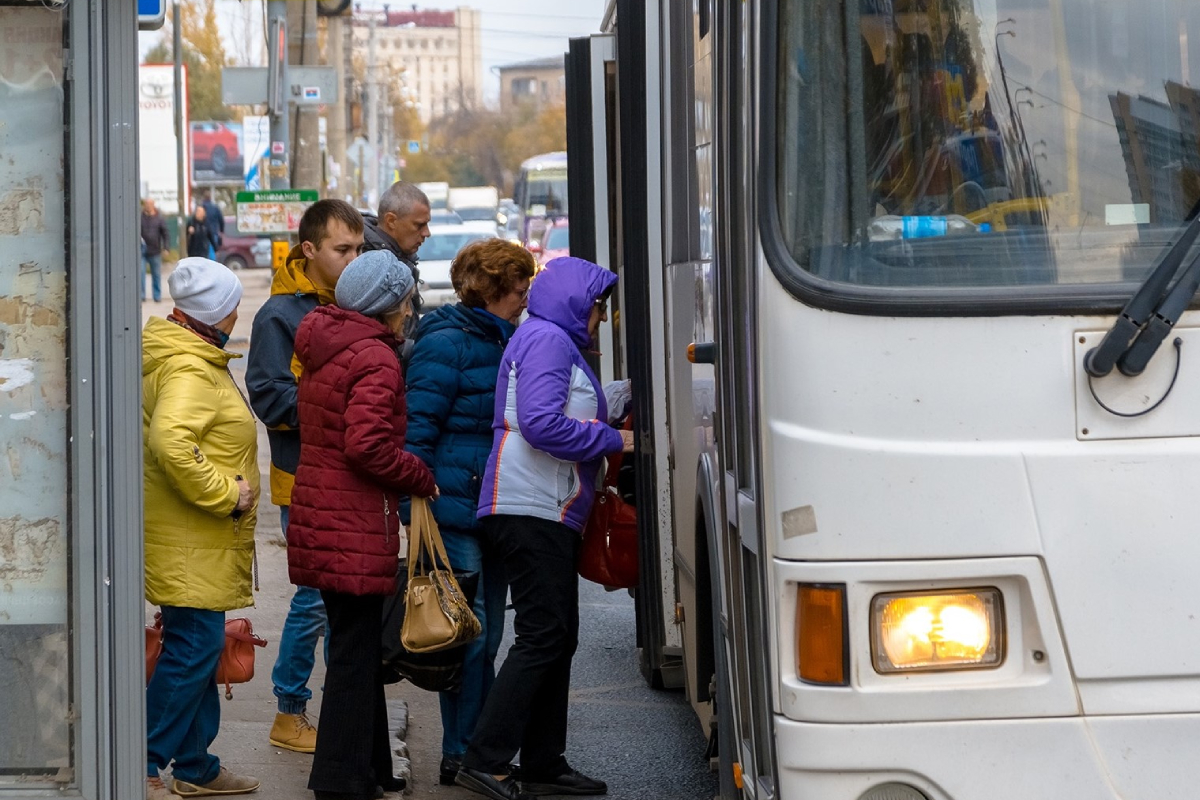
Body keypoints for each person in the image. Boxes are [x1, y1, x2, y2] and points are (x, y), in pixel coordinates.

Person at [456, 257, 633, 800]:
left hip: (542, 508)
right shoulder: (550, 341)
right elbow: (539, 423)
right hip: (530, 508)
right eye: (600, 306)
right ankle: (484, 758)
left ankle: (542, 761)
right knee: (544, 636)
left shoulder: (547, 339)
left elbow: (557, 410)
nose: (602, 318)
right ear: (581, 303)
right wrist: (612, 441)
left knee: (558, 636)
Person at [287, 250, 437, 800]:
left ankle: (372, 767)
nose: (409, 306)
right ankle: (340, 778)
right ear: (389, 303)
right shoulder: (373, 356)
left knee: (358, 645)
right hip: (350, 518)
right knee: (353, 654)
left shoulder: (327, 342)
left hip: (323, 513)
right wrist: (419, 475)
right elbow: (367, 445)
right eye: (405, 297)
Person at [404, 239, 536, 786]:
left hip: (498, 507)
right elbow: (417, 433)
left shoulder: (508, 338)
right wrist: (416, 509)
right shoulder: (447, 342)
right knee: (469, 635)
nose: (525, 297)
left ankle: (476, 749)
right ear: (491, 288)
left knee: (490, 633)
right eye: (519, 288)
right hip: (455, 511)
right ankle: (462, 751)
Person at [245, 199, 365, 754]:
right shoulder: (279, 314)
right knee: (314, 598)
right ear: (310, 250)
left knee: (344, 599)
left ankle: (337, 711)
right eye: (343, 250)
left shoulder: (356, 300)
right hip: (304, 476)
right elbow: (269, 397)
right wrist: (341, 403)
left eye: (359, 249)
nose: (353, 259)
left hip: (353, 473)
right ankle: (288, 710)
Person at [142, 257, 260, 800]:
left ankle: (195, 766)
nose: (238, 311)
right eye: (234, 303)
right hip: (192, 533)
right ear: (220, 311)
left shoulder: (189, 353)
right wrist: (226, 493)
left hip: (193, 535)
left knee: (196, 645)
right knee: (195, 645)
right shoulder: (189, 367)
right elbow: (171, 442)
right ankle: (142, 757)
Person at [362, 181, 432, 330]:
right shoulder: (367, 263)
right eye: (419, 225)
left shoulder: (401, 257)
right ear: (391, 221)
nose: (427, 233)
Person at [140, 198, 169, 302]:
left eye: (150, 204)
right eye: (146, 204)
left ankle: (157, 296)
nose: (148, 206)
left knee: (156, 275)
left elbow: (165, 234)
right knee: (141, 273)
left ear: (153, 205)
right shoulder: (140, 217)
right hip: (142, 251)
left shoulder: (159, 219)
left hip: (155, 251)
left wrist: (166, 248)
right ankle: (141, 296)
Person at [201, 190, 225, 259]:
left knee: (203, 252)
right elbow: (221, 220)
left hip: (203, 233)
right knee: (212, 251)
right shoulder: (215, 208)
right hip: (214, 232)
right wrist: (221, 231)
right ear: (210, 198)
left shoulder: (201, 208)